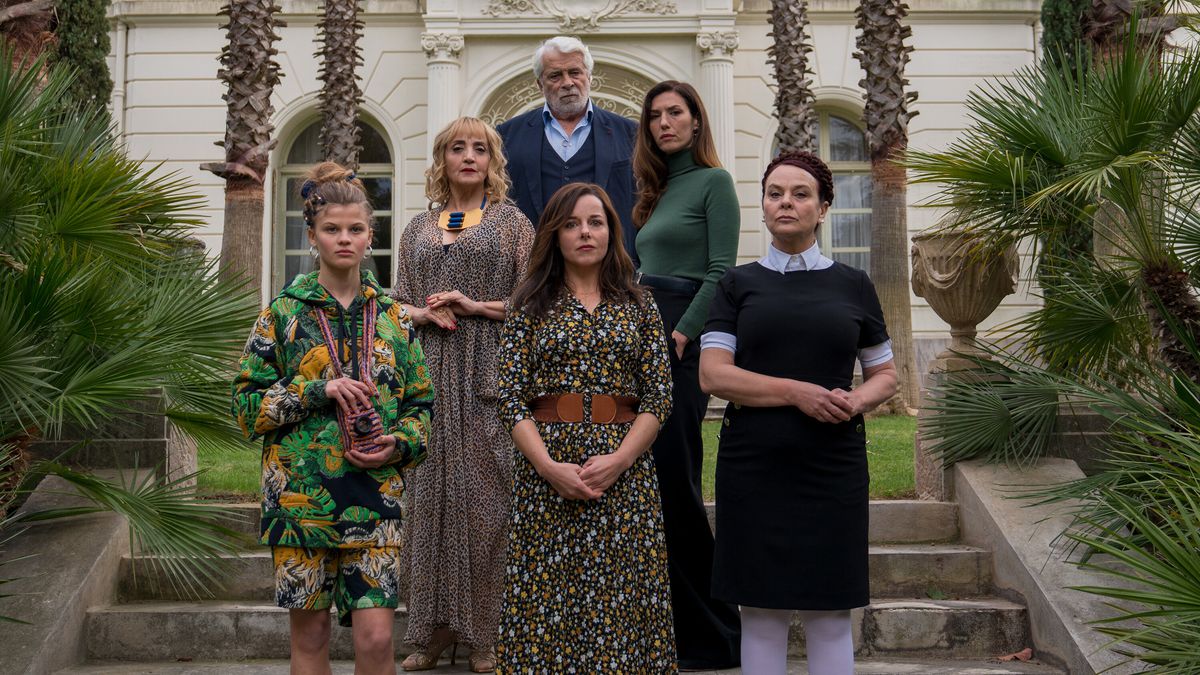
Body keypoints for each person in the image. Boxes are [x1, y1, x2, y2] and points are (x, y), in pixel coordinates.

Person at [698, 151, 899, 675]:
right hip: (754, 466)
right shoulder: (736, 285)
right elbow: (713, 375)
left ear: (824, 207)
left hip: (832, 467)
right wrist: (797, 392)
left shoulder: (854, 284)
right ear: (763, 207)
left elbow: (886, 375)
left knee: (830, 609)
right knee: (760, 609)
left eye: (800, 193)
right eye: (775, 193)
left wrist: (855, 400)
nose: (786, 202)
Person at [231, 161, 434, 675]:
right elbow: (246, 407)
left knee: (376, 639)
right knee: (312, 638)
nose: (344, 239)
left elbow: (422, 406)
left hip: (376, 495)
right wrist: (318, 389)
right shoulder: (280, 314)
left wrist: (403, 444)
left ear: (371, 235)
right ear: (313, 235)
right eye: (332, 229)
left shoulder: (392, 316)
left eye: (356, 229)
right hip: (300, 500)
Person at [494, 183, 676, 673]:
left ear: (611, 231)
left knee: (622, 603)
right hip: (547, 473)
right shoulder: (528, 304)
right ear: (554, 235)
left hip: (624, 473)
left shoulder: (639, 304)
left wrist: (619, 460)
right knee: (548, 607)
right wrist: (549, 468)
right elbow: (510, 396)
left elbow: (659, 396)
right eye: (571, 224)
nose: (584, 232)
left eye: (595, 222)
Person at [392, 117, 534, 673]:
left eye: (480, 148)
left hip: (486, 376)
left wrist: (475, 306)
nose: (469, 156)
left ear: (493, 161)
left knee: (487, 503)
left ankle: (487, 636)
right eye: (458, 148)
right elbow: (396, 303)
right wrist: (424, 312)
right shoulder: (417, 228)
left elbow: (532, 300)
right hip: (428, 374)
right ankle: (429, 632)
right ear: (442, 160)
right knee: (428, 502)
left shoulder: (512, 224)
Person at [631, 79, 741, 669]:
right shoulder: (653, 190)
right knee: (645, 483)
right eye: (656, 116)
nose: (665, 123)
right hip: (643, 329)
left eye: (676, 113)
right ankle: (657, 627)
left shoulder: (714, 182)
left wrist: (682, 332)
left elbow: (722, 270)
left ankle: (712, 635)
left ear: (697, 121)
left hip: (680, 336)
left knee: (677, 479)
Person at [496, 36, 641, 266]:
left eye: (575, 72)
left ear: (589, 77)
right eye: (555, 75)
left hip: (610, 271)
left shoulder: (632, 134)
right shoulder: (506, 135)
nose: (567, 82)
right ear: (539, 84)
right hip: (532, 273)